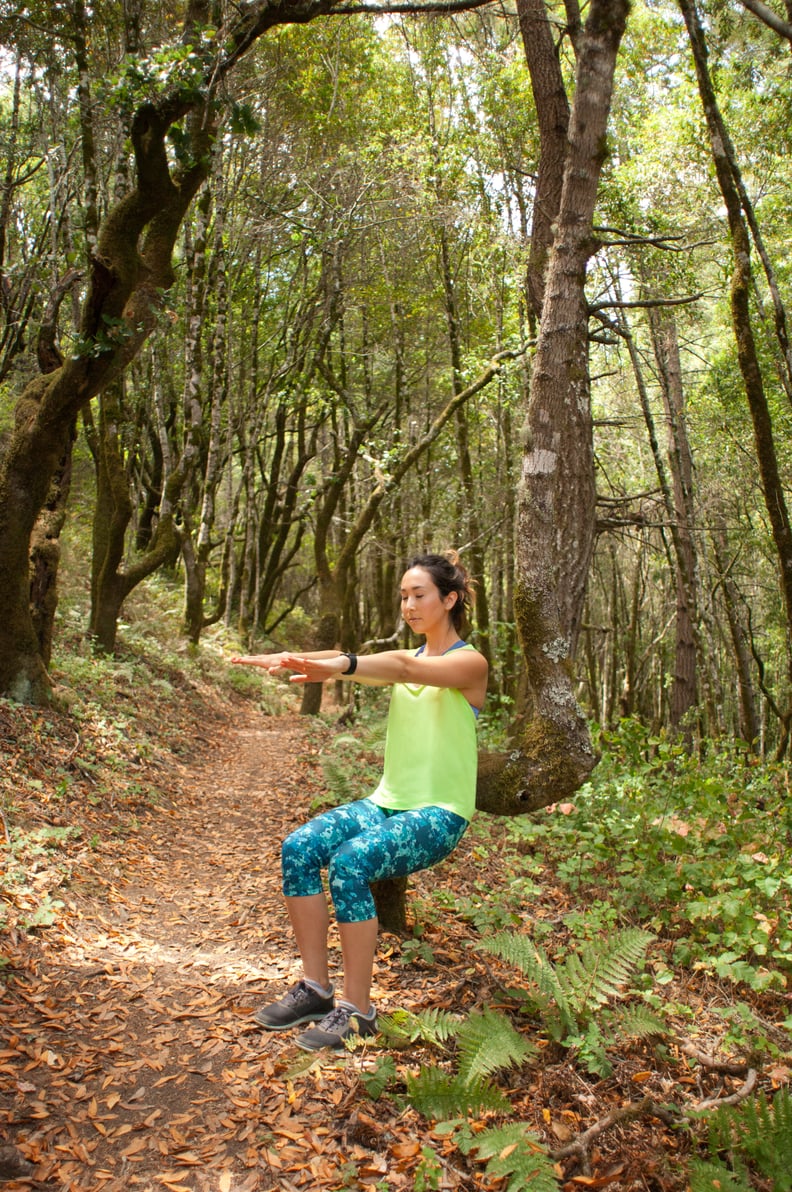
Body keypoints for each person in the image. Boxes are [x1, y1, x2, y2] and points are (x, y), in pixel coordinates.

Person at [232, 551, 488, 1052]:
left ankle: (358, 1012)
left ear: (449, 599)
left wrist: (340, 664)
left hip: (440, 813)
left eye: (419, 595)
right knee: (300, 848)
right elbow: (374, 668)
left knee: (350, 863)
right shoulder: (405, 662)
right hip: (388, 801)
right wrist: (302, 662)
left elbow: (392, 666)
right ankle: (315, 989)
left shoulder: (468, 662)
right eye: (403, 596)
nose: (408, 605)